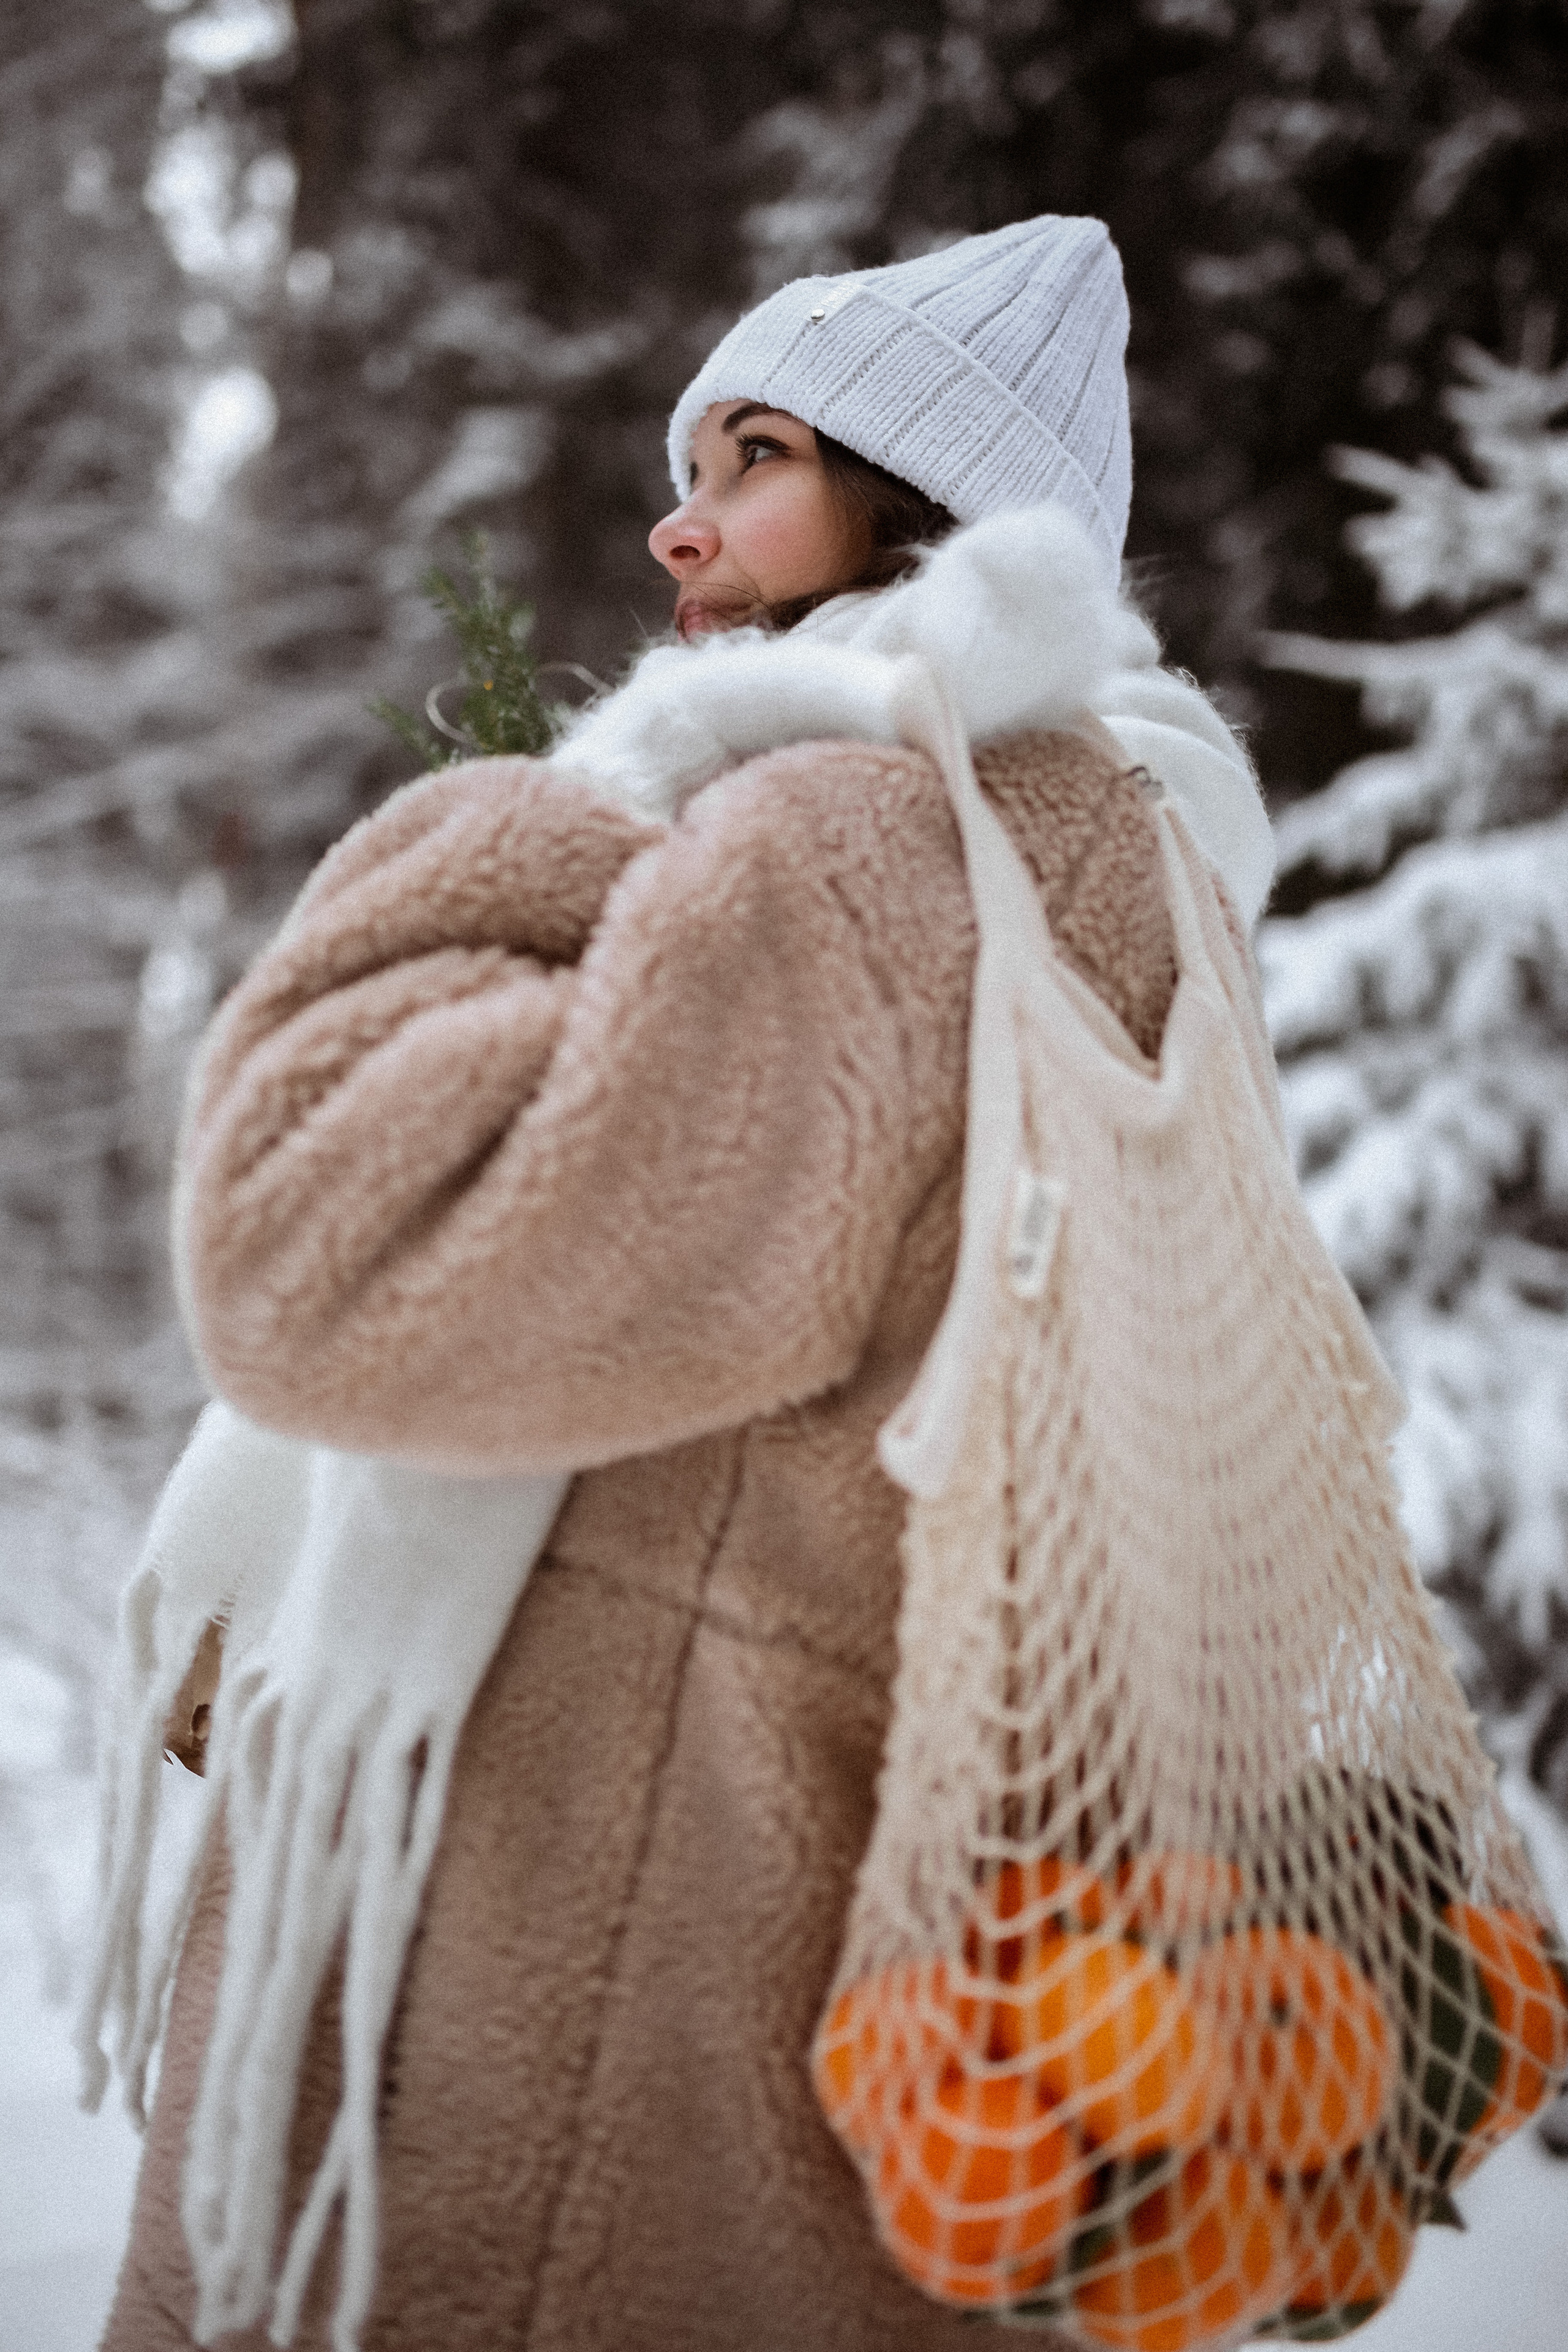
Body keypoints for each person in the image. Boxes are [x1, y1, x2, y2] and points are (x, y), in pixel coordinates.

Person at [102, 216, 1273, 2352]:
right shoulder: (1132, 857)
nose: (680, 521)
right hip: (798, 1948)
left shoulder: (853, 838)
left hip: (569, 2027)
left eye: (751, 457)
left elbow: (318, 1256)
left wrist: (527, 829)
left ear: (925, 503)